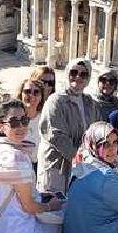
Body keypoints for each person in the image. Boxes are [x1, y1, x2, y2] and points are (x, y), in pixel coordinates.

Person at [0, 101, 63, 233]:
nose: (21, 126)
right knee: (63, 215)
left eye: (24, 120)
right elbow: (29, 207)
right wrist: (50, 206)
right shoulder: (16, 157)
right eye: (13, 122)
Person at [38, 58, 96, 194]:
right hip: (58, 166)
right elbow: (55, 135)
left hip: (82, 167)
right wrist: (82, 158)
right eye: (74, 72)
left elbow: (97, 130)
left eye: (83, 74)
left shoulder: (90, 103)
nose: (78, 77)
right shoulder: (56, 101)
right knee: (55, 210)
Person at [16, 77, 46, 151]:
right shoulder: (12, 118)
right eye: (27, 91)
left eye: (36, 92)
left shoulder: (46, 119)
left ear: (41, 97)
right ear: (21, 94)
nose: (31, 95)